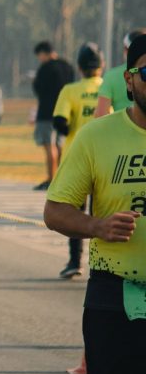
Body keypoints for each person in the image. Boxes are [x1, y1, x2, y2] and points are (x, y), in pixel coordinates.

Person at [44, 33, 146, 374]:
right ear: (129, 79)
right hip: (116, 292)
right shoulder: (96, 136)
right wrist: (97, 226)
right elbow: (55, 210)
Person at [52, 42, 105, 280]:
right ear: (101, 66)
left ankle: (75, 261)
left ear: (80, 67)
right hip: (106, 155)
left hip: (77, 156)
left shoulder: (70, 90)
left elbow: (59, 123)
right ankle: (102, 261)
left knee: (74, 211)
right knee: (102, 210)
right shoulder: (109, 87)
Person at [32, 41, 75, 190]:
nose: (40, 59)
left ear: (44, 53)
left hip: (46, 113)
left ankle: (51, 179)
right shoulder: (68, 67)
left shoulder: (45, 68)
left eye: (40, 56)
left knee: (49, 146)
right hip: (64, 113)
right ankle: (61, 179)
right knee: (60, 145)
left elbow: (38, 89)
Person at [95, 29, 146, 117]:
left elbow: (101, 114)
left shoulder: (111, 76)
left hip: (121, 128)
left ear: (126, 50)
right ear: (128, 78)